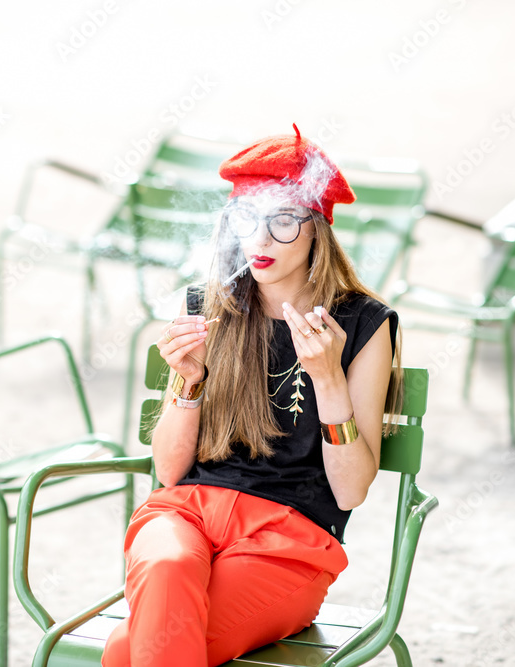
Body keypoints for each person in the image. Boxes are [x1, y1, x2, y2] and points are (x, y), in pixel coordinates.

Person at [102, 125, 403, 667]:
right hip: (185, 514)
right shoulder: (211, 307)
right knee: (166, 570)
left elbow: (353, 489)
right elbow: (170, 471)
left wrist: (328, 378)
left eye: (283, 221)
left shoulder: (362, 324)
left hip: (289, 541)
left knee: (130, 650)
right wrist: (186, 381)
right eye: (247, 220)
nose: (260, 241)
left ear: (318, 229)